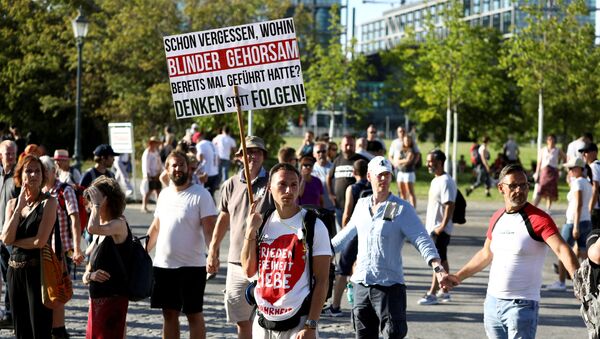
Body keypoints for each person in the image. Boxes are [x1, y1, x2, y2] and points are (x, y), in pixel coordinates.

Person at [446, 164, 580, 339]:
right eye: (514, 185)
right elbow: (486, 254)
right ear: (501, 188)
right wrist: (458, 276)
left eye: (524, 185)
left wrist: (580, 284)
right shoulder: (497, 217)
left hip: (522, 307)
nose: (520, 190)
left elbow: (562, 250)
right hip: (492, 304)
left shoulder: (539, 219)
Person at [331, 156, 449, 338]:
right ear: (369, 176)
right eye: (380, 175)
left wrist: (437, 267)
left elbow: (422, 239)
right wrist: (317, 251)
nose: (384, 179)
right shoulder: (362, 205)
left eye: (387, 175)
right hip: (361, 285)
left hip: (389, 288)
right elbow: (344, 236)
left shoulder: (400, 208)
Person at [241, 163, 332, 338]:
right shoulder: (262, 222)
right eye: (282, 184)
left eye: (294, 185)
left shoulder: (314, 226)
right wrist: (250, 231)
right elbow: (248, 270)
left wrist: (311, 325)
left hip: (298, 322)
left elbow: (322, 281)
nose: (289, 191)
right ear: (269, 187)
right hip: (263, 320)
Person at [146, 150, 217, 339]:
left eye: (182, 165)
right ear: (167, 169)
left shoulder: (201, 195)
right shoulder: (164, 195)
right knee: (168, 314)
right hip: (163, 266)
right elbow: (156, 227)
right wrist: (141, 252)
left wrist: (212, 254)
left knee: (193, 314)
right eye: (174, 165)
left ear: (189, 168)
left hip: (192, 267)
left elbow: (210, 231)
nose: (178, 169)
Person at [206, 136, 270, 339]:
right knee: (241, 319)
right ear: (239, 157)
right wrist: (213, 251)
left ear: (263, 156)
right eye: (248, 152)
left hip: (266, 260)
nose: (253, 155)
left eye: (257, 151)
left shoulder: (272, 183)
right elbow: (223, 219)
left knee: (268, 317)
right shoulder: (230, 185)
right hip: (236, 261)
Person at [1, 154, 57, 338]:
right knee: (21, 329)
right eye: (28, 171)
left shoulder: (49, 203)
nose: (33, 175)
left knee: (39, 328)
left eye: (37, 171)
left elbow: (39, 241)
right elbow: (4, 238)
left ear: (43, 176)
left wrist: (14, 241)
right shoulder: (12, 204)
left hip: (37, 273)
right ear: (21, 175)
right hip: (14, 273)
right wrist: (18, 208)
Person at [39, 156, 84, 339]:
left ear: (53, 171)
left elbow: (75, 219)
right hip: (43, 248)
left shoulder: (65, 191)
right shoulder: (41, 191)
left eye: (44, 170)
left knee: (58, 289)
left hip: (61, 248)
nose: (41, 174)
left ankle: (59, 329)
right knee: (47, 288)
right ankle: (50, 327)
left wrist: (77, 247)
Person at [81, 177, 130, 338]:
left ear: (108, 199)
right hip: (96, 300)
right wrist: (90, 275)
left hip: (114, 299)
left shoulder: (118, 224)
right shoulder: (98, 234)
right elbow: (85, 274)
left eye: (96, 198)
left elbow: (92, 227)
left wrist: (96, 205)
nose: (91, 203)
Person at [323, 159, 370, 317]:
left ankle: (335, 306)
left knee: (343, 269)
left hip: (354, 233)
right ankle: (362, 304)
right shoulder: (372, 187)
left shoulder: (353, 188)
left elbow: (347, 213)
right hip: (369, 233)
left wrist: (344, 229)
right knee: (360, 267)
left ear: (354, 173)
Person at [547, 158, 593, 291]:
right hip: (586, 220)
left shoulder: (578, 183)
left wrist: (576, 225)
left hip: (574, 222)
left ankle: (561, 282)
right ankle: (589, 283)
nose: (569, 171)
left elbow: (578, 204)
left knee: (562, 251)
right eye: (569, 168)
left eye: (572, 168)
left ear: (579, 169)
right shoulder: (586, 182)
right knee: (585, 253)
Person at [418, 150, 456, 305]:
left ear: (440, 162)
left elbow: (450, 205)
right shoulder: (436, 180)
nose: (428, 164)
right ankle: (445, 291)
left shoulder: (446, 181)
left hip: (439, 230)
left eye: (430, 161)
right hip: (433, 228)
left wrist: (442, 226)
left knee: (436, 262)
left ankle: (432, 292)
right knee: (442, 259)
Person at [326, 135, 367, 228]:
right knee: (342, 232)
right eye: (346, 145)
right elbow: (328, 177)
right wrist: (330, 194)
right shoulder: (337, 160)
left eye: (351, 145)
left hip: (356, 208)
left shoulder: (361, 160)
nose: (349, 147)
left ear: (355, 146)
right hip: (339, 206)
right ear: (341, 146)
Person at [0, 140, 18, 328]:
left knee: (11, 275)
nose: (11, 156)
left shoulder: (19, 176)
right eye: (8, 153)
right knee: (5, 276)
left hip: (12, 235)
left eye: (13, 153)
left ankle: (12, 314)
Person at [533, 134, 566, 212]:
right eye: (549, 139)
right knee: (541, 189)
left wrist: (561, 168)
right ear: (547, 141)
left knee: (550, 191)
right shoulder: (543, 150)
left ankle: (548, 209)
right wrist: (537, 173)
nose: (551, 141)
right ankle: (534, 206)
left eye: (552, 139)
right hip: (544, 172)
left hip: (553, 171)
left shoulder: (558, 150)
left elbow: (565, 158)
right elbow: (539, 162)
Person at [141, 136, 163, 213]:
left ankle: (159, 207)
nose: (156, 145)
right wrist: (148, 175)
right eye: (154, 143)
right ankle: (144, 206)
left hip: (157, 174)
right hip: (151, 175)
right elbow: (145, 165)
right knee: (149, 191)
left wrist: (160, 171)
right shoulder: (147, 153)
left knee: (158, 190)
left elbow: (159, 162)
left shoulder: (156, 152)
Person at [580, 143, 600, 230]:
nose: (584, 154)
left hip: (595, 208)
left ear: (594, 153)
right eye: (582, 152)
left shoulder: (593, 166)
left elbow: (595, 189)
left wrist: (589, 209)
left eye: (586, 152)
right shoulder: (598, 165)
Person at [394, 135, 417, 207]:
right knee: (402, 193)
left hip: (409, 173)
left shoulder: (412, 150)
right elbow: (396, 160)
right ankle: (403, 209)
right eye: (405, 140)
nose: (407, 141)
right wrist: (402, 161)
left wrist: (400, 161)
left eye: (408, 140)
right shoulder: (401, 150)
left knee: (410, 192)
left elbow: (408, 161)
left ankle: (413, 210)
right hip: (401, 172)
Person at [312, 142, 334, 211]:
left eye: (323, 151)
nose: (321, 154)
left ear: (327, 152)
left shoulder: (334, 167)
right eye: (318, 152)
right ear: (314, 154)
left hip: (333, 208)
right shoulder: (311, 170)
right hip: (317, 209)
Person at [195, 133, 220, 197]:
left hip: (206, 174)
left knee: (205, 196)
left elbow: (200, 157)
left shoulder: (200, 145)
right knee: (211, 195)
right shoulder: (212, 143)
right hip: (215, 173)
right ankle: (213, 207)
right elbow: (218, 159)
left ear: (197, 139)